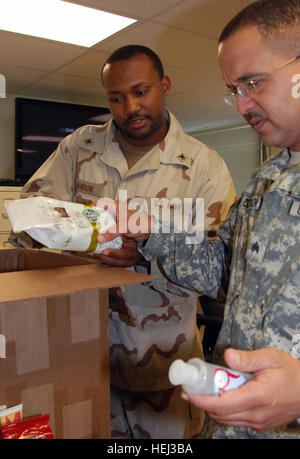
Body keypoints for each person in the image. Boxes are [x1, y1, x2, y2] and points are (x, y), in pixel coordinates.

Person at [97, 0, 300, 439]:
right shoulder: (267, 180)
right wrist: (149, 229)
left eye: (253, 82)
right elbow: (220, 270)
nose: (242, 105)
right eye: (234, 90)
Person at [20, 45, 236, 438]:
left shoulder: (204, 166)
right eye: (116, 98)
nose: (130, 107)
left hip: (161, 367)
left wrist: (147, 251)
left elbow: (219, 271)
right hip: (79, 354)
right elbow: (29, 216)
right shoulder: (78, 148)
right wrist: (82, 239)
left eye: (141, 91)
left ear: (164, 86)